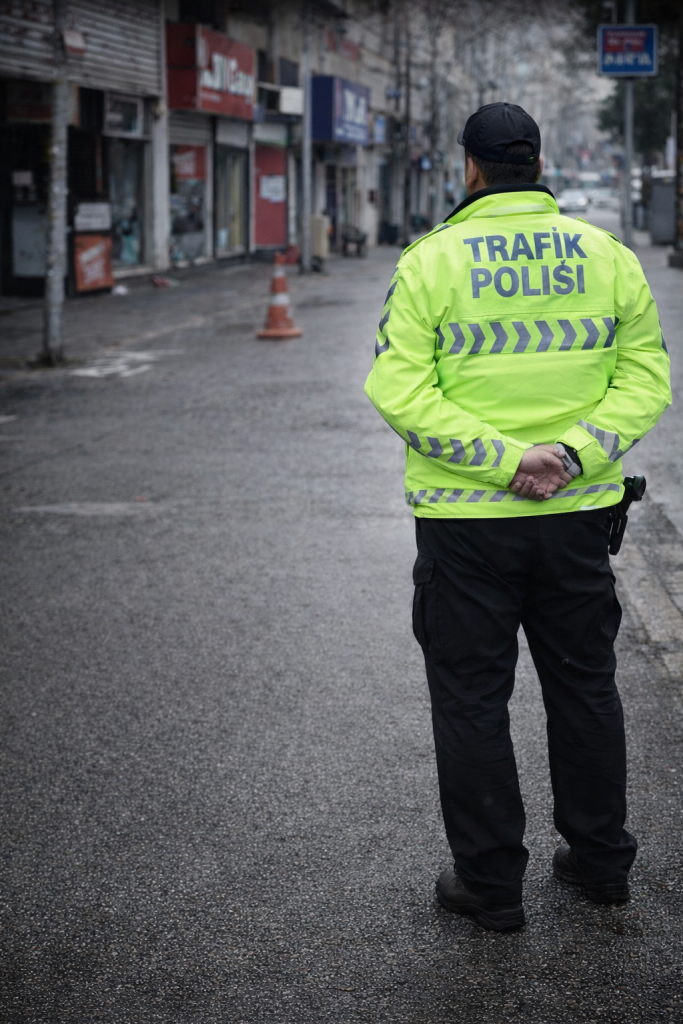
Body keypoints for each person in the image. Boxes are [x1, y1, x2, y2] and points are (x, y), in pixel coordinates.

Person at [364, 102, 671, 932]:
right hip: (576, 516)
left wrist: (506, 461)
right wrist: (569, 456)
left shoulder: (431, 261)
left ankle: (491, 887)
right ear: (537, 163)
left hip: (467, 525)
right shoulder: (605, 255)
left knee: (470, 699)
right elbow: (644, 380)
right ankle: (601, 864)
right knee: (583, 688)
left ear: (469, 167)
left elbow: (397, 389)